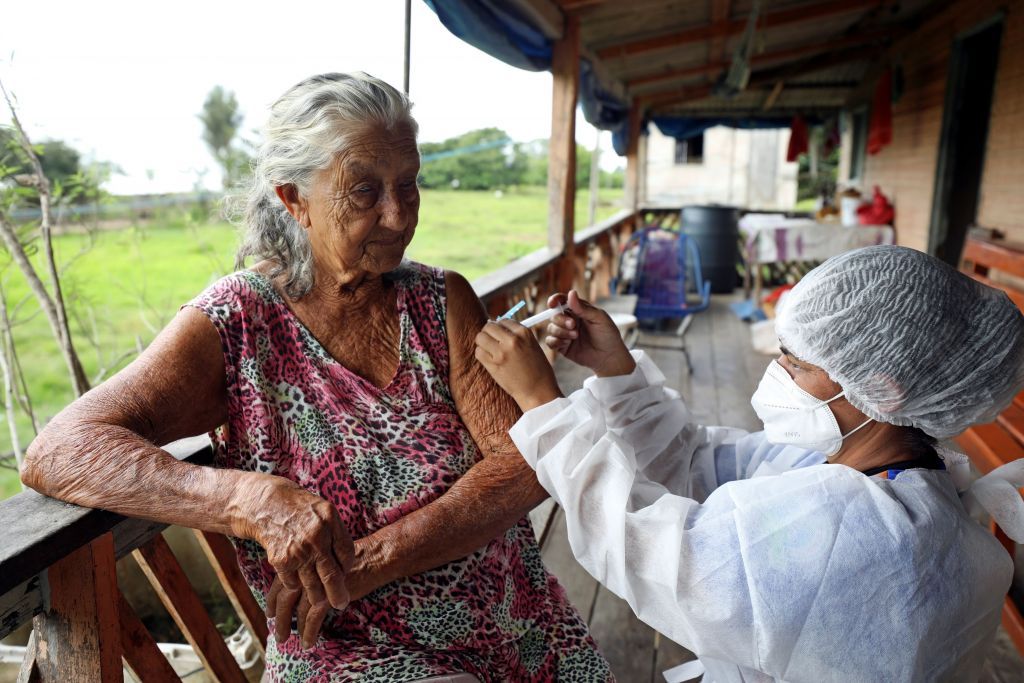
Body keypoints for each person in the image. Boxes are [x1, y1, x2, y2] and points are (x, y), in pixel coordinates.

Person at [21, 73, 612, 682]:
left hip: (520, 626)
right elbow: (60, 448)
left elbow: (524, 465)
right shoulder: (238, 322)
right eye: (364, 191)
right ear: (294, 199)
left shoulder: (440, 300)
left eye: (408, 184)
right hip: (353, 652)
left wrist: (370, 561)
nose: (398, 213)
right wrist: (247, 499)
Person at [474, 245, 1024, 683]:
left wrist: (545, 406)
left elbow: (662, 556)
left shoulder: (872, 534)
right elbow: (698, 465)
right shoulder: (877, 470)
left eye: (798, 363)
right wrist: (616, 373)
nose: (778, 369)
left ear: (883, 389)